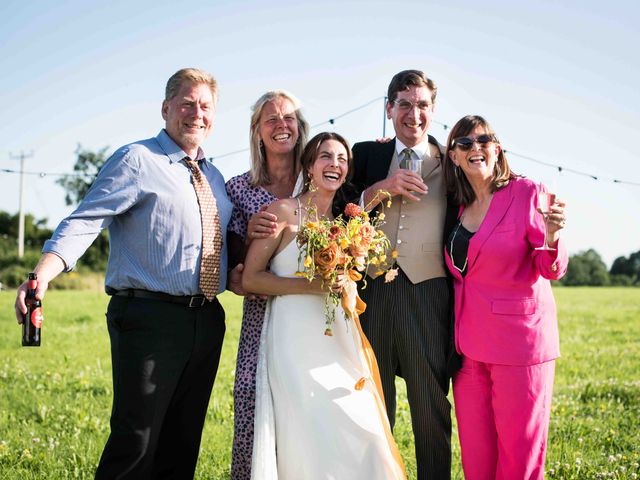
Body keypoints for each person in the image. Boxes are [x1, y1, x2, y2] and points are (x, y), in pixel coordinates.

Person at [14, 68, 237, 479]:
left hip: (206, 319)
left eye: (205, 106)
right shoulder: (137, 159)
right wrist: (41, 274)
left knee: (182, 443)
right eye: (187, 103)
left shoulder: (215, 177)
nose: (196, 113)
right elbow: (85, 220)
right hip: (149, 318)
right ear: (166, 107)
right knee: (136, 444)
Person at [242, 132, 406, 480]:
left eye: (342, 159)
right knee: (309, 432)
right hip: (293, 338)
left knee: (367, 431)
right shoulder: (282, 212)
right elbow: (251, 279)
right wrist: (312, 285)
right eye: (326, 157)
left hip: (339, 338)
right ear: (309, 166)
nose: (335, 164)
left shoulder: (347, 225)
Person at [442, 114, 568, 479]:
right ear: (453, 156)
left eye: (484, 140)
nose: (475, 148)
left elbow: (549, 268)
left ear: (497, 148)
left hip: (519, 348)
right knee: (477, 460)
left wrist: (554, 236)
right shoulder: (459, 205)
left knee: (518, 460)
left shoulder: (527, 192)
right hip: (468, 351)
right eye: (465, 143)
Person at [348, 69, 458, 479]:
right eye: (405, 104)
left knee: (430, 403)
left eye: (423, 105)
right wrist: (383, 187)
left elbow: (492, 180)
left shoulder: (452, 161)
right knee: (374, 402)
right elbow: (342, 205)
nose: (414, 114)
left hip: (427, 293)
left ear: (433, 110)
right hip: (370, 292)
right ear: (389, 108)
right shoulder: (366, 154)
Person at [225, 89, 309, 479]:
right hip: (262, 314)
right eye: (271, 119)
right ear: (257, 131)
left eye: (289, 117)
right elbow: (230, 267)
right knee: (251, 398)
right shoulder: (238, 189)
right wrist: (247, 249)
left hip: (312, 316)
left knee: (306, 406)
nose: (281, 125)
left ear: (300, 127)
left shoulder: (321, 177)